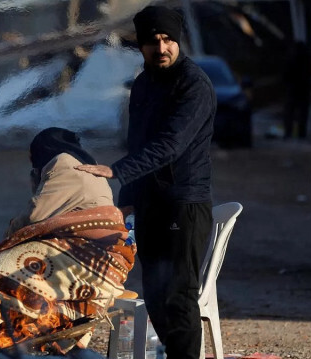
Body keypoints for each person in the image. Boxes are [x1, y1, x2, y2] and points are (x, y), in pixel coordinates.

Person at [76, 6, 216, 359]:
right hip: (150, 204)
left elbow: (171, 144)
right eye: (153, 41)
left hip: (183, 204)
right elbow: (137, 141)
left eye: (168, 40)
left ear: (177, 42)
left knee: (178, 296)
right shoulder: (143, 83)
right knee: (154, 294)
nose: (161, 48)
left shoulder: (193, 84)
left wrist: (117, 171)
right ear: (141, 45)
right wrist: (126, 198)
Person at [0, 127, 136, 354]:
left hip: (89, 255)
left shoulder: (61, 162)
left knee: (1, 267)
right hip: (102, 259)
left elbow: (35, 216)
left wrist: (10, 232)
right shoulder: (86, 164)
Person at [283, 41, 311, 140]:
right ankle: (300, 132)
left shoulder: (290, 57)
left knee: (290, 111)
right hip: (302, 87)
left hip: (293, 87)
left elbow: (285, 73)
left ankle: (289, 131)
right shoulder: (305, 58)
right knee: (302, 111)